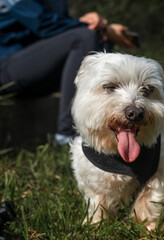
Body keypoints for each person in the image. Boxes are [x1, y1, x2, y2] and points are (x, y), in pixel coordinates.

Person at [0, 0, 136, 145]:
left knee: (101, 42)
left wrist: (94, 27)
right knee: (85, 37)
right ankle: (67, 136)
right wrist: (99, 28)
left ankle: (109, 129)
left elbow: (59, 30)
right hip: (6, 67)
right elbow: (43, 24)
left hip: (38, 72)